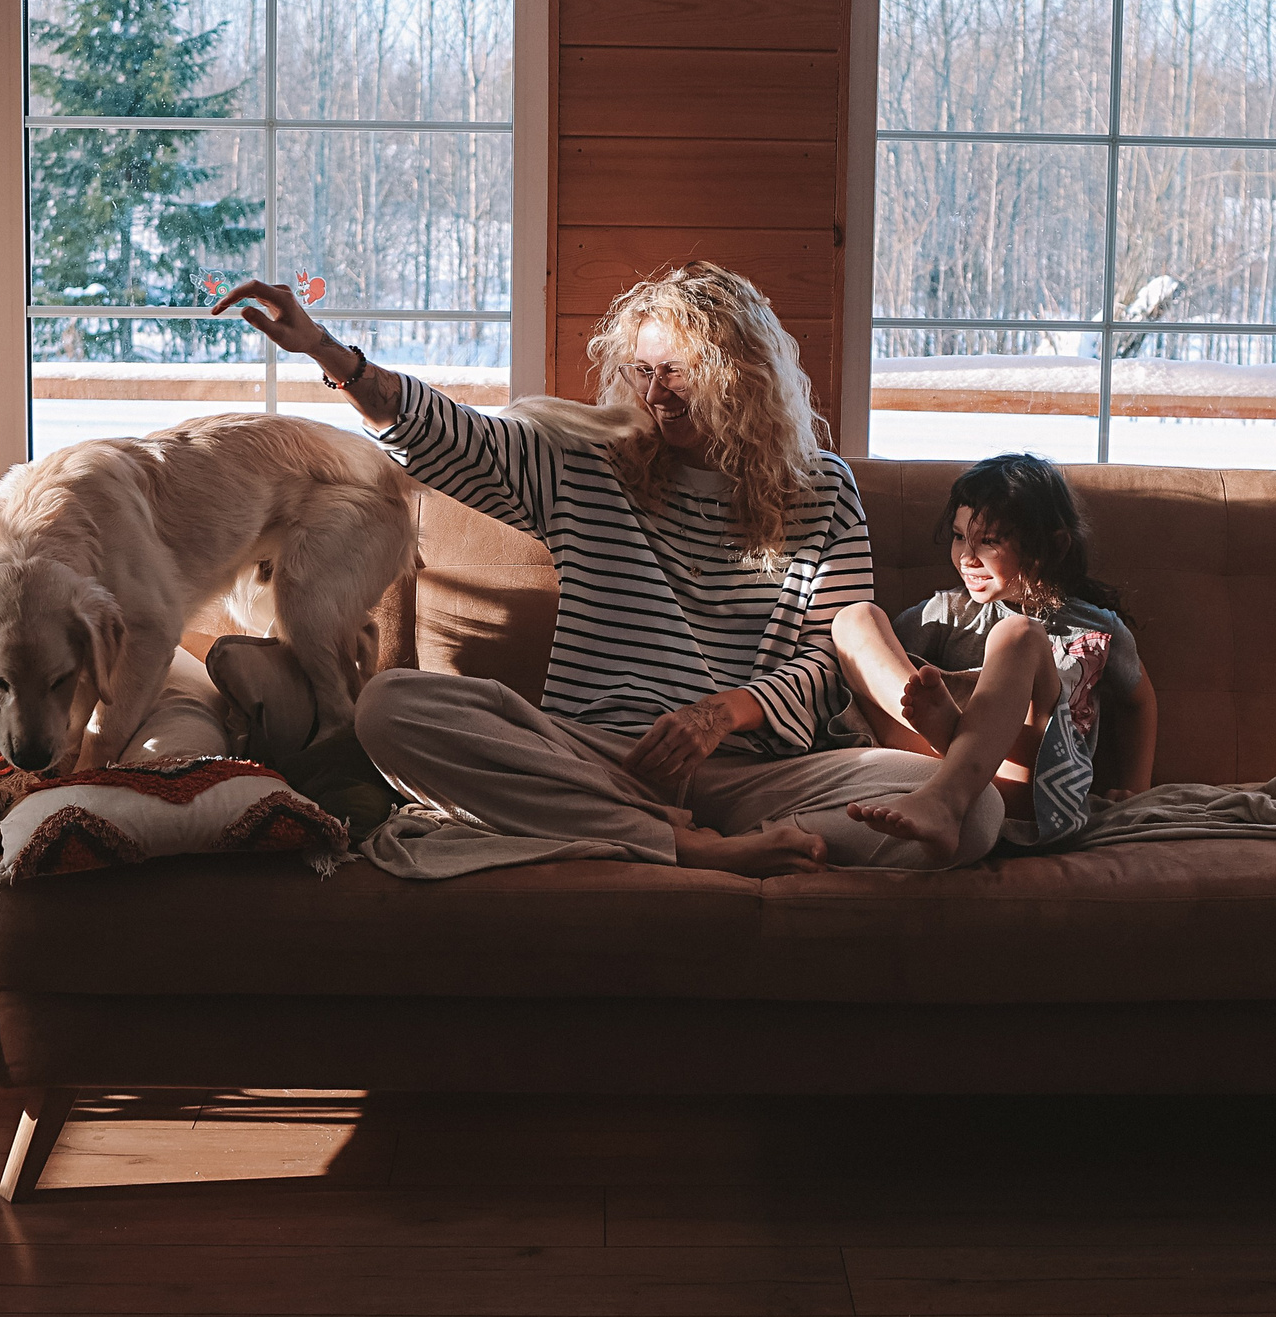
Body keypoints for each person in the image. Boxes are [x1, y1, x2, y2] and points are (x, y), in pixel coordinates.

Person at [209, 260, 1002, 877]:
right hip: (589, 756)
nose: (655, 393)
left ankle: (717, 836)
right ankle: (682, 846)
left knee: (976, 816)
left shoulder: (822, 486)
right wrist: (330, 354)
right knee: (389, 708)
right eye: (642, 370)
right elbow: (449, 435)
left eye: (678, 371)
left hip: (756, 771)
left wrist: (719, 715)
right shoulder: (587, 462)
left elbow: (829, 663)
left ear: (739, 373)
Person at [831, 453, 1156, 861]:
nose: (966, 558)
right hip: (939, 775)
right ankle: (955, 747)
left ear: (1051, 546)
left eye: (989, 541)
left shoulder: (1098, 628)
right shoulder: (948, 613)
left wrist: (1136, 786)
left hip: (1031, 792)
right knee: (856, 617)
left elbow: (1138, 701)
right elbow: (878, 669)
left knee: (1018, 634)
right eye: (958, 536)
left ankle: (948, 782)